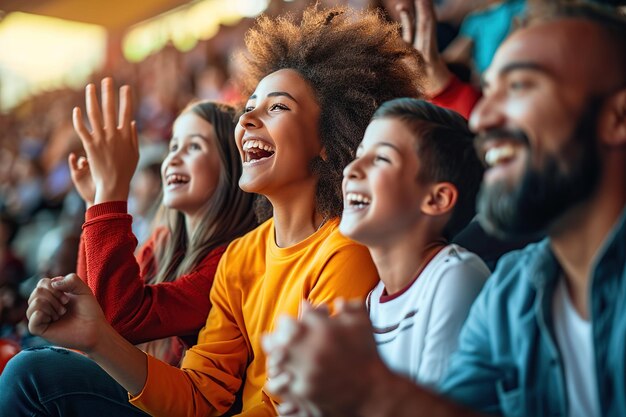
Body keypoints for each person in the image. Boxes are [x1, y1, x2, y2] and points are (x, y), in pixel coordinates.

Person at [15, 5, 422, 417]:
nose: (247, 120)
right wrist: (96, 339)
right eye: (249, 107)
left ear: (329, 137)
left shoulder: (346, 251)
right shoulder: (240, 256)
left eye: (277, 107)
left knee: (31, 375)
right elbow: (201, 396)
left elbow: (298, 409)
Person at [262, 2, 626, 417]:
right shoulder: (511, 291)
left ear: (618, 117)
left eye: (521, 86)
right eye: (489, 91)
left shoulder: (463, 275)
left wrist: (370, 391)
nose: (484, 116)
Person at [0, 83, 257, 415]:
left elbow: (119, 320)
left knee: (28, 375)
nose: (174, 157)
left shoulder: (229, 258)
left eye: (194, 146)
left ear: (231, 169)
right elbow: (94, 310)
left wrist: (111, 195)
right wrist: (96, 200)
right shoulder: (163, 242)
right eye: (173, 145)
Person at [265, 97, 489, 417]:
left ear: (437, 199)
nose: (352, 170)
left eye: (381, 159)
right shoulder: (371, 303)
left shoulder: (455, 277)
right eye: (358, 156)